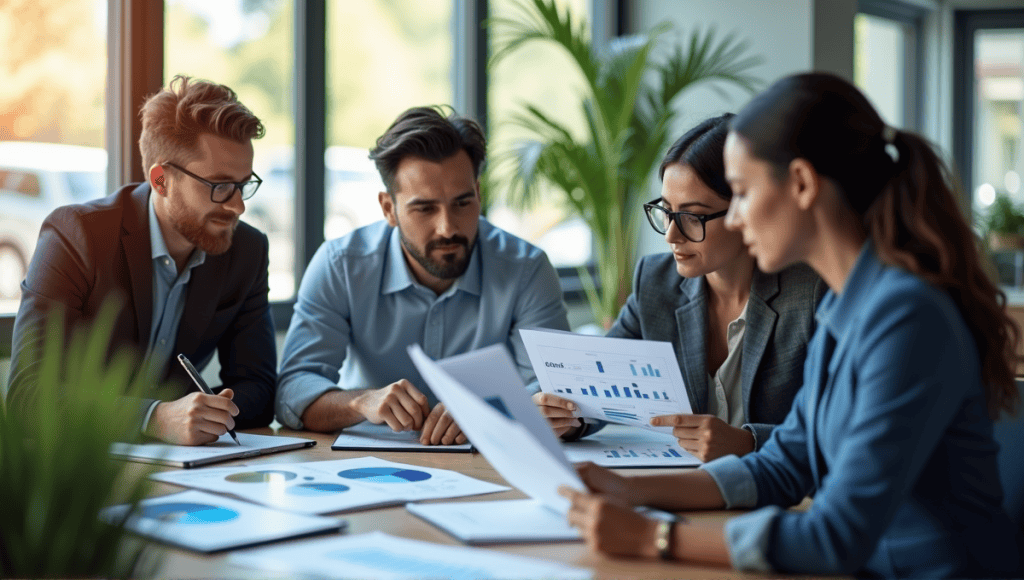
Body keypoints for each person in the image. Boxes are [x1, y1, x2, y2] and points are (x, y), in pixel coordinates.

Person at [558, 72, 1024, 577]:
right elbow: (783, 463)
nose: (734, 219)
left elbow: (835, 537)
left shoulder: (906, 319)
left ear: (801, 184)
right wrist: (629, 488)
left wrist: (654, 535)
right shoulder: (846, 307)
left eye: (741, 193)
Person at [534, 114, 825, 462]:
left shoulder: (810, 293)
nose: (672, 235)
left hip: (781, 497)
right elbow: (596, 387)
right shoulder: (656, 282)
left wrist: (748, 443)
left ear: (744, 210)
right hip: (680, 485)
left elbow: (833, 428)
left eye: (693, 216)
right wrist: (567, 416)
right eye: (666, 212)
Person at [8, 75, 277, 446]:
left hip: (189, 470)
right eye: (219, 186)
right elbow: (28, 395)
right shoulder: (76, 235)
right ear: (161, 180)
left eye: (244, 184)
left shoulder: (246, 250)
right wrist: (154, 417)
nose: (237, 205)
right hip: (82, 464)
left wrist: (209, 413)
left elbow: (259, 388)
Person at [275, 106, 570, 444]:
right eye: (425, 208)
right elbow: (294, 390)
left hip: (492, 462)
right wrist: (361, 401)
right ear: (389, 208)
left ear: (478, 193)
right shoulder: (341, 265)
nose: (447, 228)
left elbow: (557, 390)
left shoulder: (526, 269)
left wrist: (494, 409)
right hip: (371, 466)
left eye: (462, 203)